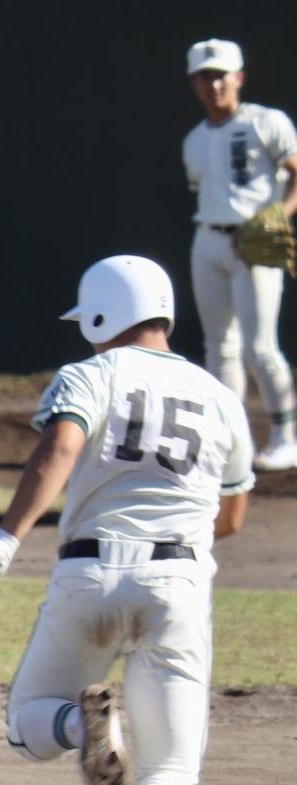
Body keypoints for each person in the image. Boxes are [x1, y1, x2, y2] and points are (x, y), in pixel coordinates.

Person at [0, 255, 254, 785]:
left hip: (89, 573)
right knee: (173, 775)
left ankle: (80, 725)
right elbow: (234, 517)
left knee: (26, 723)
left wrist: (5, 537)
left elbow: (60, 448)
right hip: (177, 584)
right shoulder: (220, 395)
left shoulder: (93, 373)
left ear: (100, 316)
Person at [182, 37, 297, 470]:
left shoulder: (267, 122)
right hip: (208, 238)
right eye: (204, 77)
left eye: (220, 75)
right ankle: (233, 443)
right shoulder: (194, 140)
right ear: (194, 83)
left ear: (239, 77)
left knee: (260, 347)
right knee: (219, 346)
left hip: (254, 242)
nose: (213, 84)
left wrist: (279, 215)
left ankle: (286, 437)